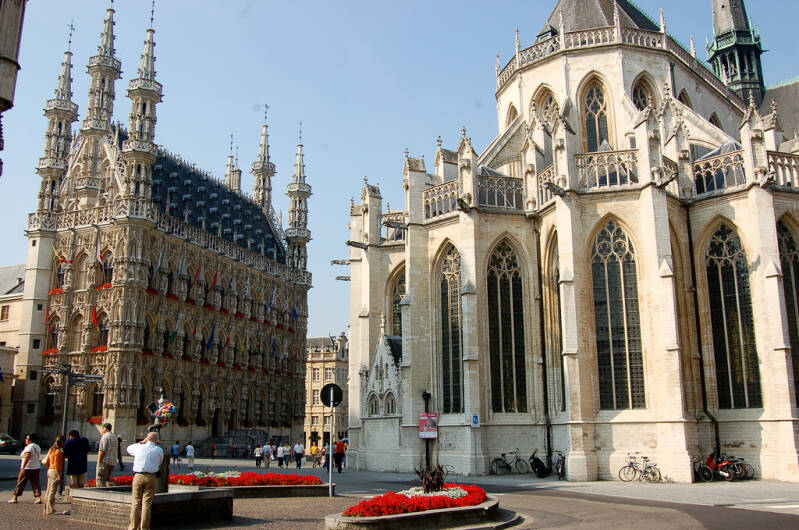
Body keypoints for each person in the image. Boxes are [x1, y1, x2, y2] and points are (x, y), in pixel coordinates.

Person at [127, 432, 164, 530]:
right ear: (156, 440)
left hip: (138, 476)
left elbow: (128, 448)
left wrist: (142, 442)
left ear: (147, 439)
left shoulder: (139, 448)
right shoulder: (159, 450)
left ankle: (132, 527)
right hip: (151, 477)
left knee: (135, 502)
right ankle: (144, 528)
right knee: (146, 504)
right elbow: (160, 461)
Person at [8, 433, 42, 504]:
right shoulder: (37, 446)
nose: (25, 440)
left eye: (27, 438)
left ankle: (15, 498)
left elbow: (27, 457)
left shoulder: (29, 447)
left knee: (20, 482)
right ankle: (38, 498)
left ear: (30, 440)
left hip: (27, 468)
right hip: (36, 467)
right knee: (35, 483)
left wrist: (22, 468)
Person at [43, 435, 68, 515]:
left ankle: (46, 509)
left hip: (50, 470)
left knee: (48, 491)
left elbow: (48, 461)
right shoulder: (58, 452)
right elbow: (57, 466)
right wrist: (59, 476)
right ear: (62, 442)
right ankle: (51, 510)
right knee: (52, 492)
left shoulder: (51, 449)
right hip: (54, 472)